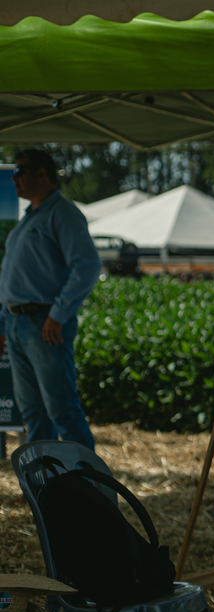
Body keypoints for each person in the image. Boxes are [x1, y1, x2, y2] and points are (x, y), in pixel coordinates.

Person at [0, 148, 100, 449]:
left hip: (44, 323)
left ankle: (86, 478)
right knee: (34, 412)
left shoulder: (63, 213)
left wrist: (58, 315)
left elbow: (87, 266)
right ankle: (44, 476)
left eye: (19, 171)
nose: (14, 178)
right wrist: (4, 324)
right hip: (19, 323)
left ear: (41, 174)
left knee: (62, 409)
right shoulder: (31, 216)